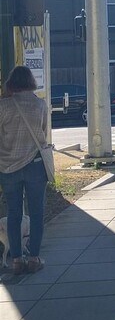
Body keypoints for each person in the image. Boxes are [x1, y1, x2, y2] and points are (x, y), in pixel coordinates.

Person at [0, 65, 49, 274]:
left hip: (8, 165)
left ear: (12, 83)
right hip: (35, 165)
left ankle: (17, 259)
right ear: (30, 82)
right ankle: (34, 258)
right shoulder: (40, 105)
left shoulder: (3, 106)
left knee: (14, 213)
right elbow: (44, 134)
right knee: (37, 213)